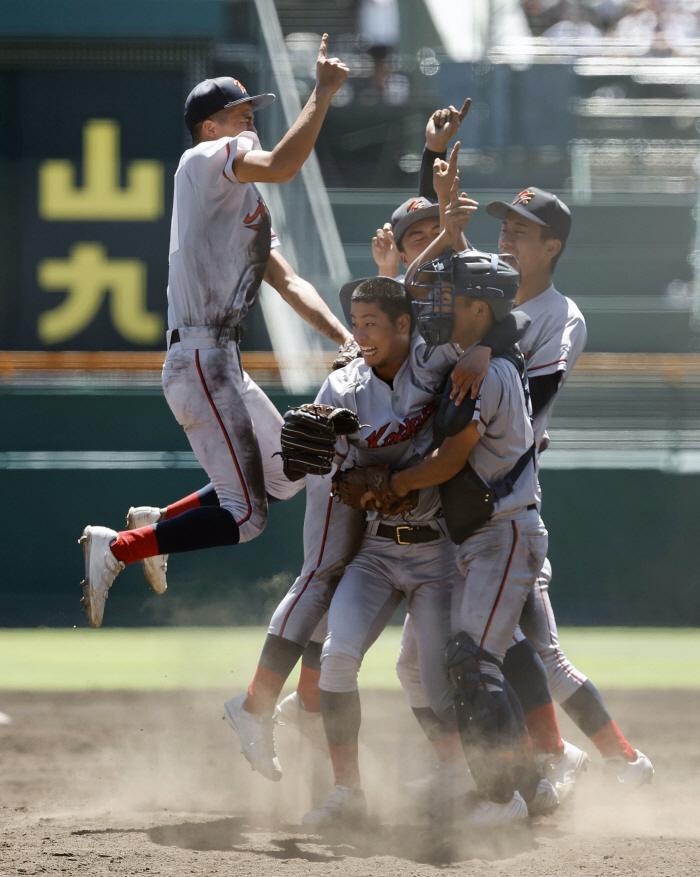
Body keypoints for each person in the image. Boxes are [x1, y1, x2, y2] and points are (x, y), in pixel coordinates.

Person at [78, 37, 352, 628]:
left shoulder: (244, 201)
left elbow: (287, 281)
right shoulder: (202, 162)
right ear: (208, 128)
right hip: (200, 355)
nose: (249, 117)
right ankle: (119, 547)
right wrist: (323, 93)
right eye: (237, 113)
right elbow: (284, 163)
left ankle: (156, 521)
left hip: (219, 358)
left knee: (287, 474)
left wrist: (343, 336)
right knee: (247, 516)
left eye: (251, 112)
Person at [405, 144, 654, 788]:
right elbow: (425, 289)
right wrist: (434, 166)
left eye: (523, 231)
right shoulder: (481, 288)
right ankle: (588, 760)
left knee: (523, 644)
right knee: (517, 643)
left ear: (553, 249)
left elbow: (530, 400)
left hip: (501, 491)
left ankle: (576, 762)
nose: (508, 238)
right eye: (505, 227)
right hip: (460, 492)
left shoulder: (559, 317)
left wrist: (489, 348)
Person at [298, 277, 458, 826]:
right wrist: (342, 472)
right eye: (356, 321)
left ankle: (468, 778)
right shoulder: (343, 386)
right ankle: (349, 794)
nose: (361, 333)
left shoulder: (436, 364)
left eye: (372, 322)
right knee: (336, 657)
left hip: (440, 553)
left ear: (403, 325)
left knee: (433, 680)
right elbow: (327, 468)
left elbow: (499, 335)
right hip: (375, 549)